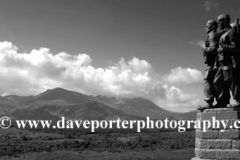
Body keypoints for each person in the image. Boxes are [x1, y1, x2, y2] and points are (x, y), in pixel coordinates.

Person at [213, 14, 240, 108]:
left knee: (231, 81)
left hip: (229, 62)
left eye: (220, 21)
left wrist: (223, 46)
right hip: (221, 62)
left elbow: (235, 48)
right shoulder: (222, 34)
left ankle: (238, 100)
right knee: (217, 82)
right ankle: (222, 101)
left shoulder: (231, 32)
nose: (218, 23)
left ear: (225, 21)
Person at [198, 20, 220, 111]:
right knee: (218, 83)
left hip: (214, 64)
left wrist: (204, 48)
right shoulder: (214, 35)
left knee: (207, 80)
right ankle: (220, 101)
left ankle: (208, 102)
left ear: (211, 27)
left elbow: (213, 49)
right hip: (216, 63)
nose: (205, 28)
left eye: (207, 26)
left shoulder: (212, 35)